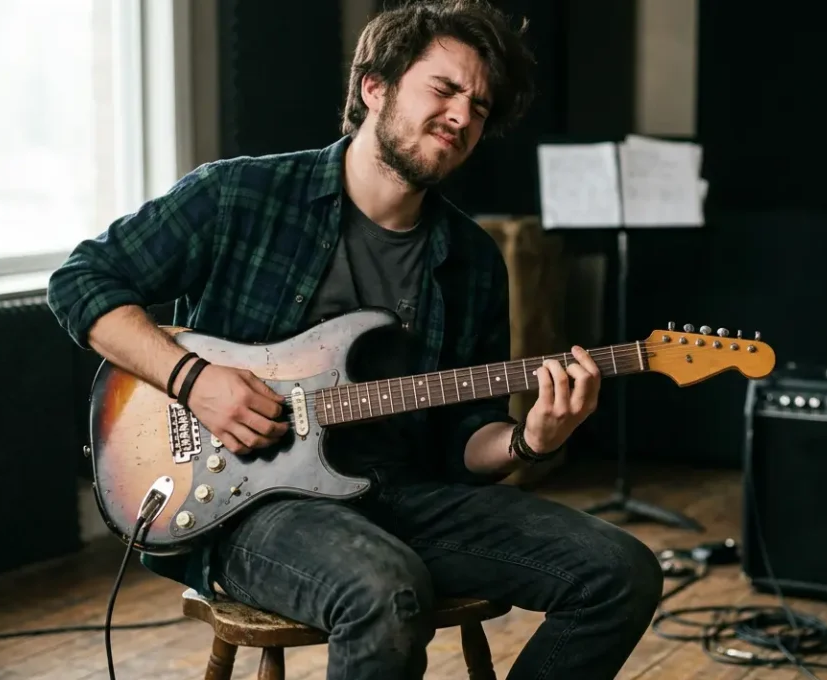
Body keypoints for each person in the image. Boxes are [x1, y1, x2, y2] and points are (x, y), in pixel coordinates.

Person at [46, 1, 663, 677]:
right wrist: (194, 378)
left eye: (480, 107)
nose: (462, 117)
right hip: (250, 506)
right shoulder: (241, 195)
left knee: (619, 570)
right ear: (376, 86)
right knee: (385, 589)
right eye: (445, 89)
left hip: (405, 494)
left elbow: (466, 435)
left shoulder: (472, 259)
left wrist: (530, 439)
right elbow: (80, 283)